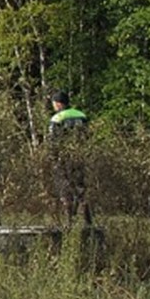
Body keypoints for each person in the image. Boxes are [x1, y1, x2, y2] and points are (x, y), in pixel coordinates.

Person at [47, 90, 91, 225]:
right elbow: (88, 136)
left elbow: (53, 141)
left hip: (64, 159)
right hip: (79, 157)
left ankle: (69, 221)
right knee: (80, 188)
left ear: (59, 104)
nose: (53, 106)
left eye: (54, 104)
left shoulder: (57, 118)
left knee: (65, 188)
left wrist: (52, 158)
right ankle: (87, 220)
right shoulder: (82, 115)